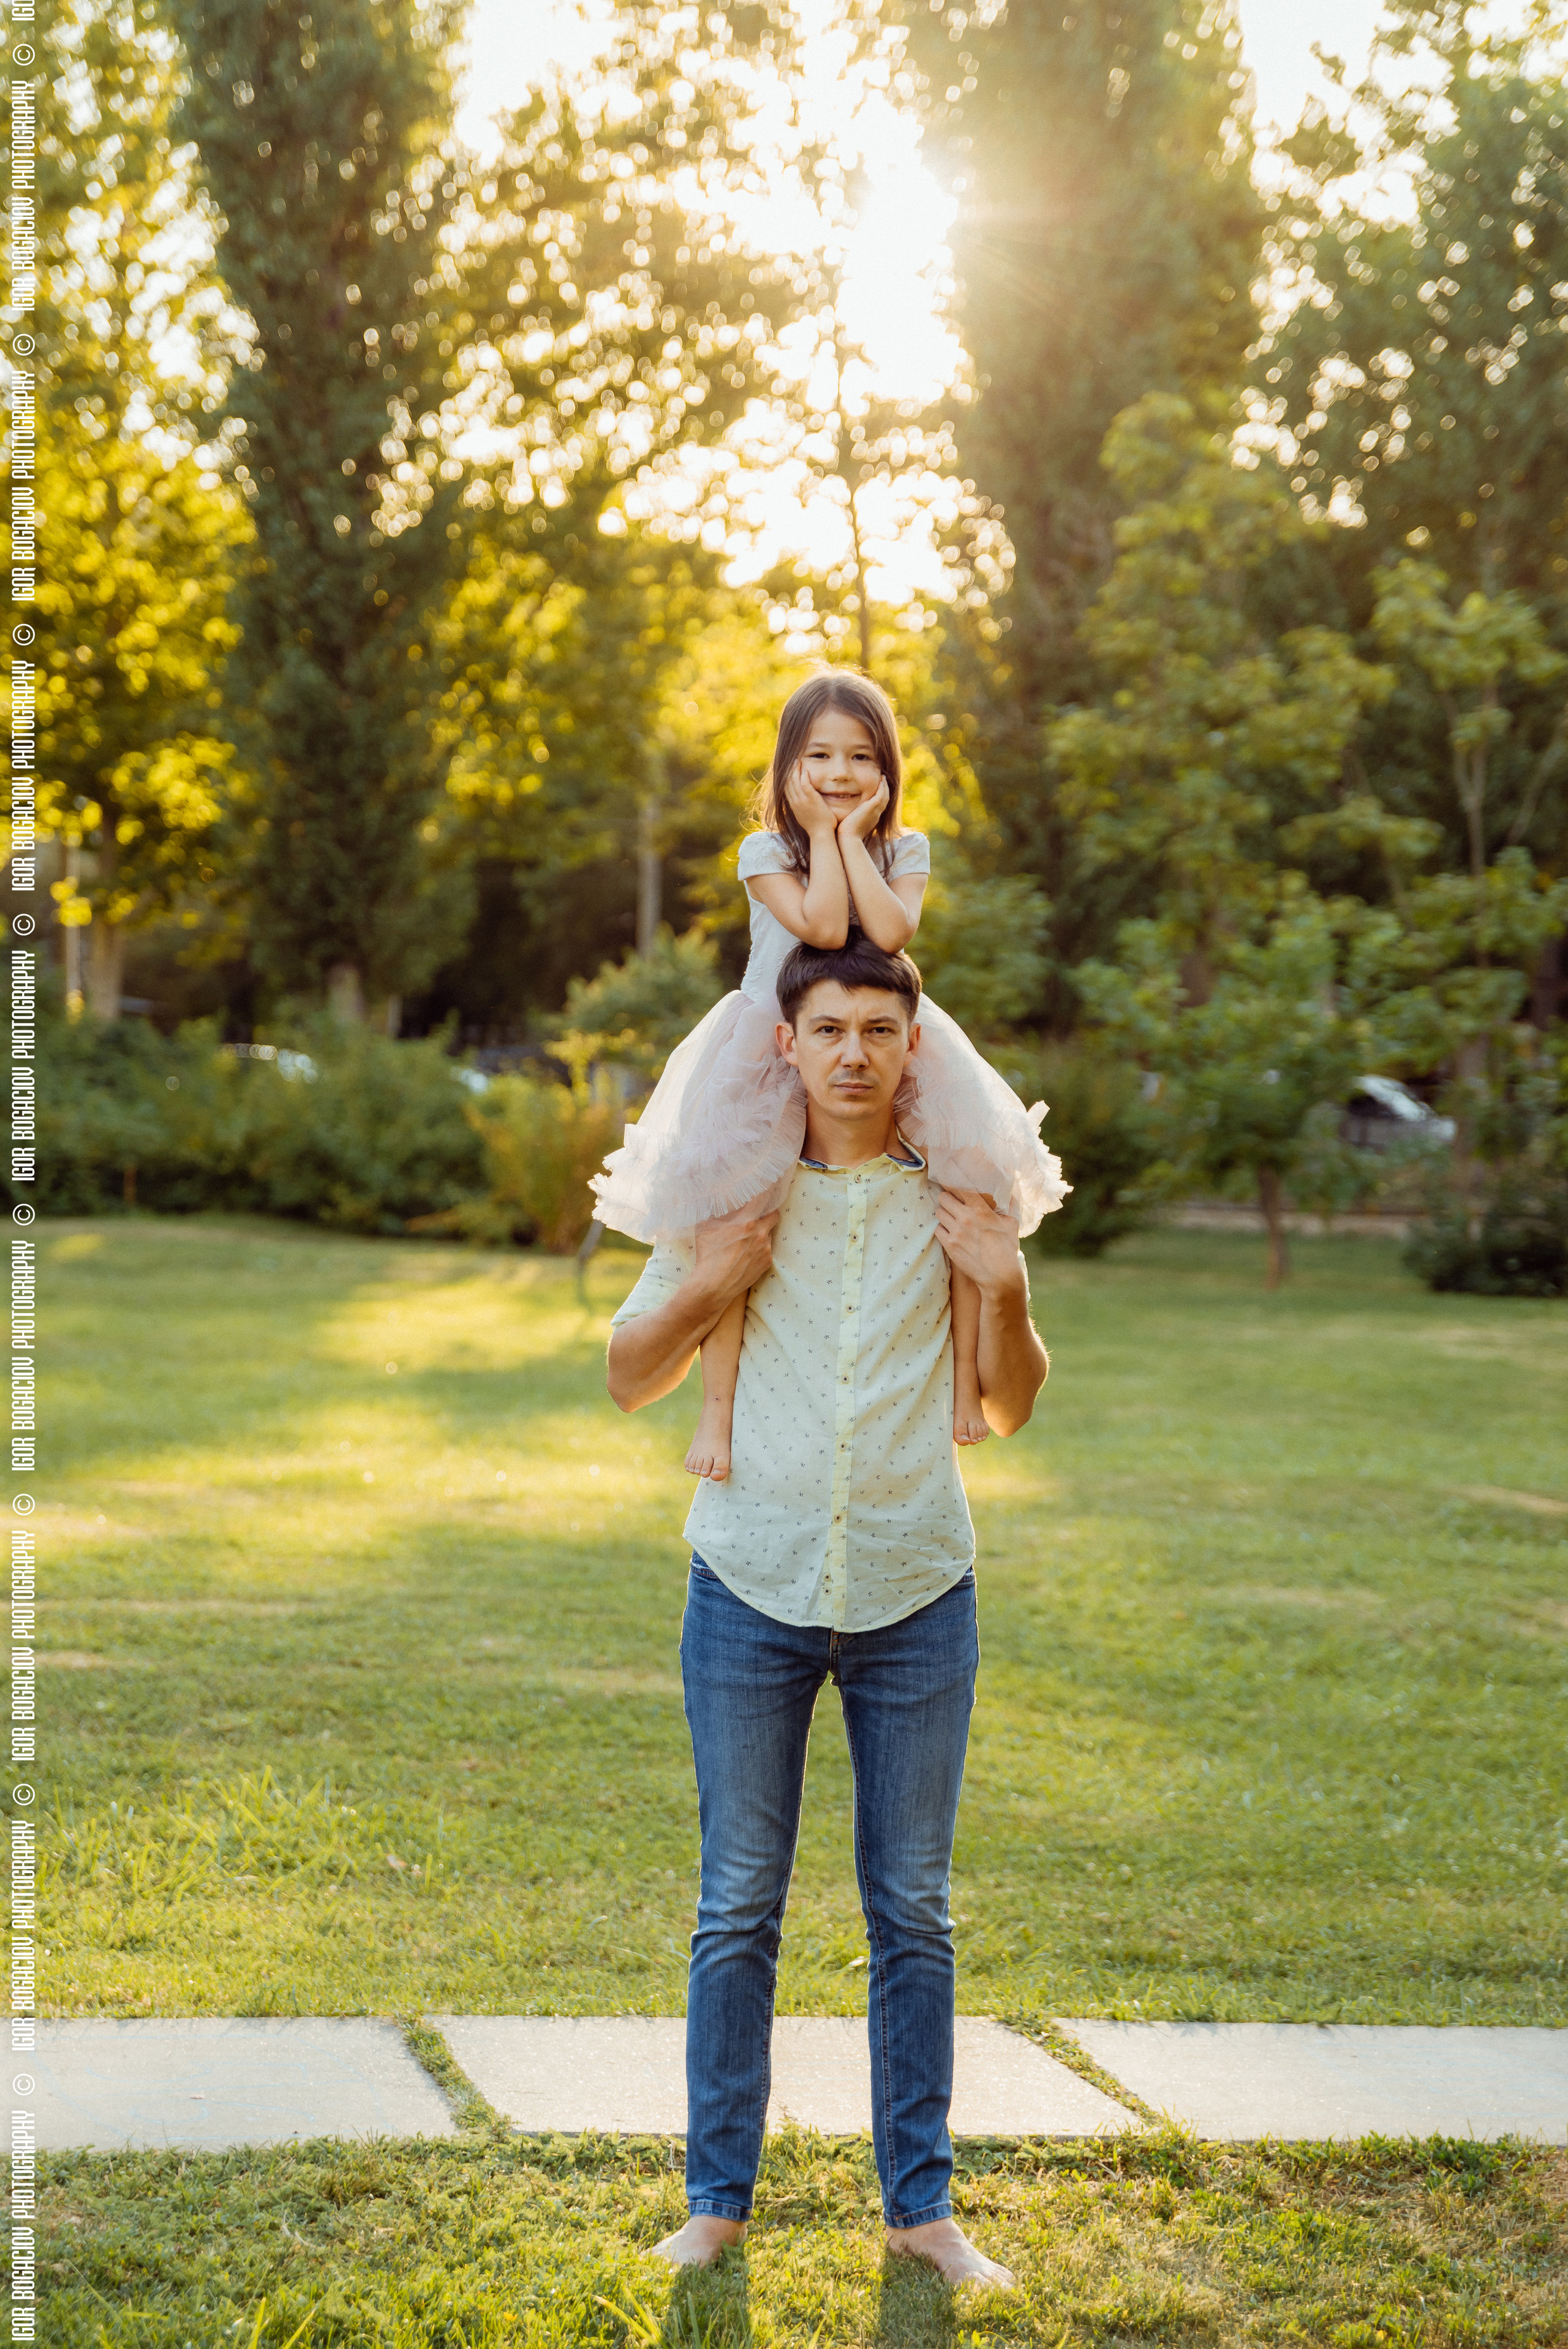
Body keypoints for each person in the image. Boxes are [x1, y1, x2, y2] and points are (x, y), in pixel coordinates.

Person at [605, 927, 1052, 2290]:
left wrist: (1006, 1281)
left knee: (910, 1909)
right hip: (747, 1581)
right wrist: (708, 1279)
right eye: (828, 1030)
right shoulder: (728, 1191)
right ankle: (715, 2203)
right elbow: (628, 1373)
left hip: (919, 1587)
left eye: (876, 1029)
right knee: (736, 1903)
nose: (852, 1052)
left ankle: (922, 2212)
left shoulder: (957, 1194)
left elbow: (1006, 1403)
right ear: (785, 1045)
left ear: (910, 1046)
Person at [589, 669, 1068, 1484]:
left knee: (959, 1190)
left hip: (866, 1031)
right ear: (787, 766)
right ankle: (716, 1411)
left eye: (860, 755)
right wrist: (820, 836)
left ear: (887, 770)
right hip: (769, 1041)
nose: (841, 773)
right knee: (739, 1227)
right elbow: (818, 924)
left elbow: (886, 930)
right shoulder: (766, 850)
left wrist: (848, 840)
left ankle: (962, 1391)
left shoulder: (902, 849)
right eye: (819, 755)